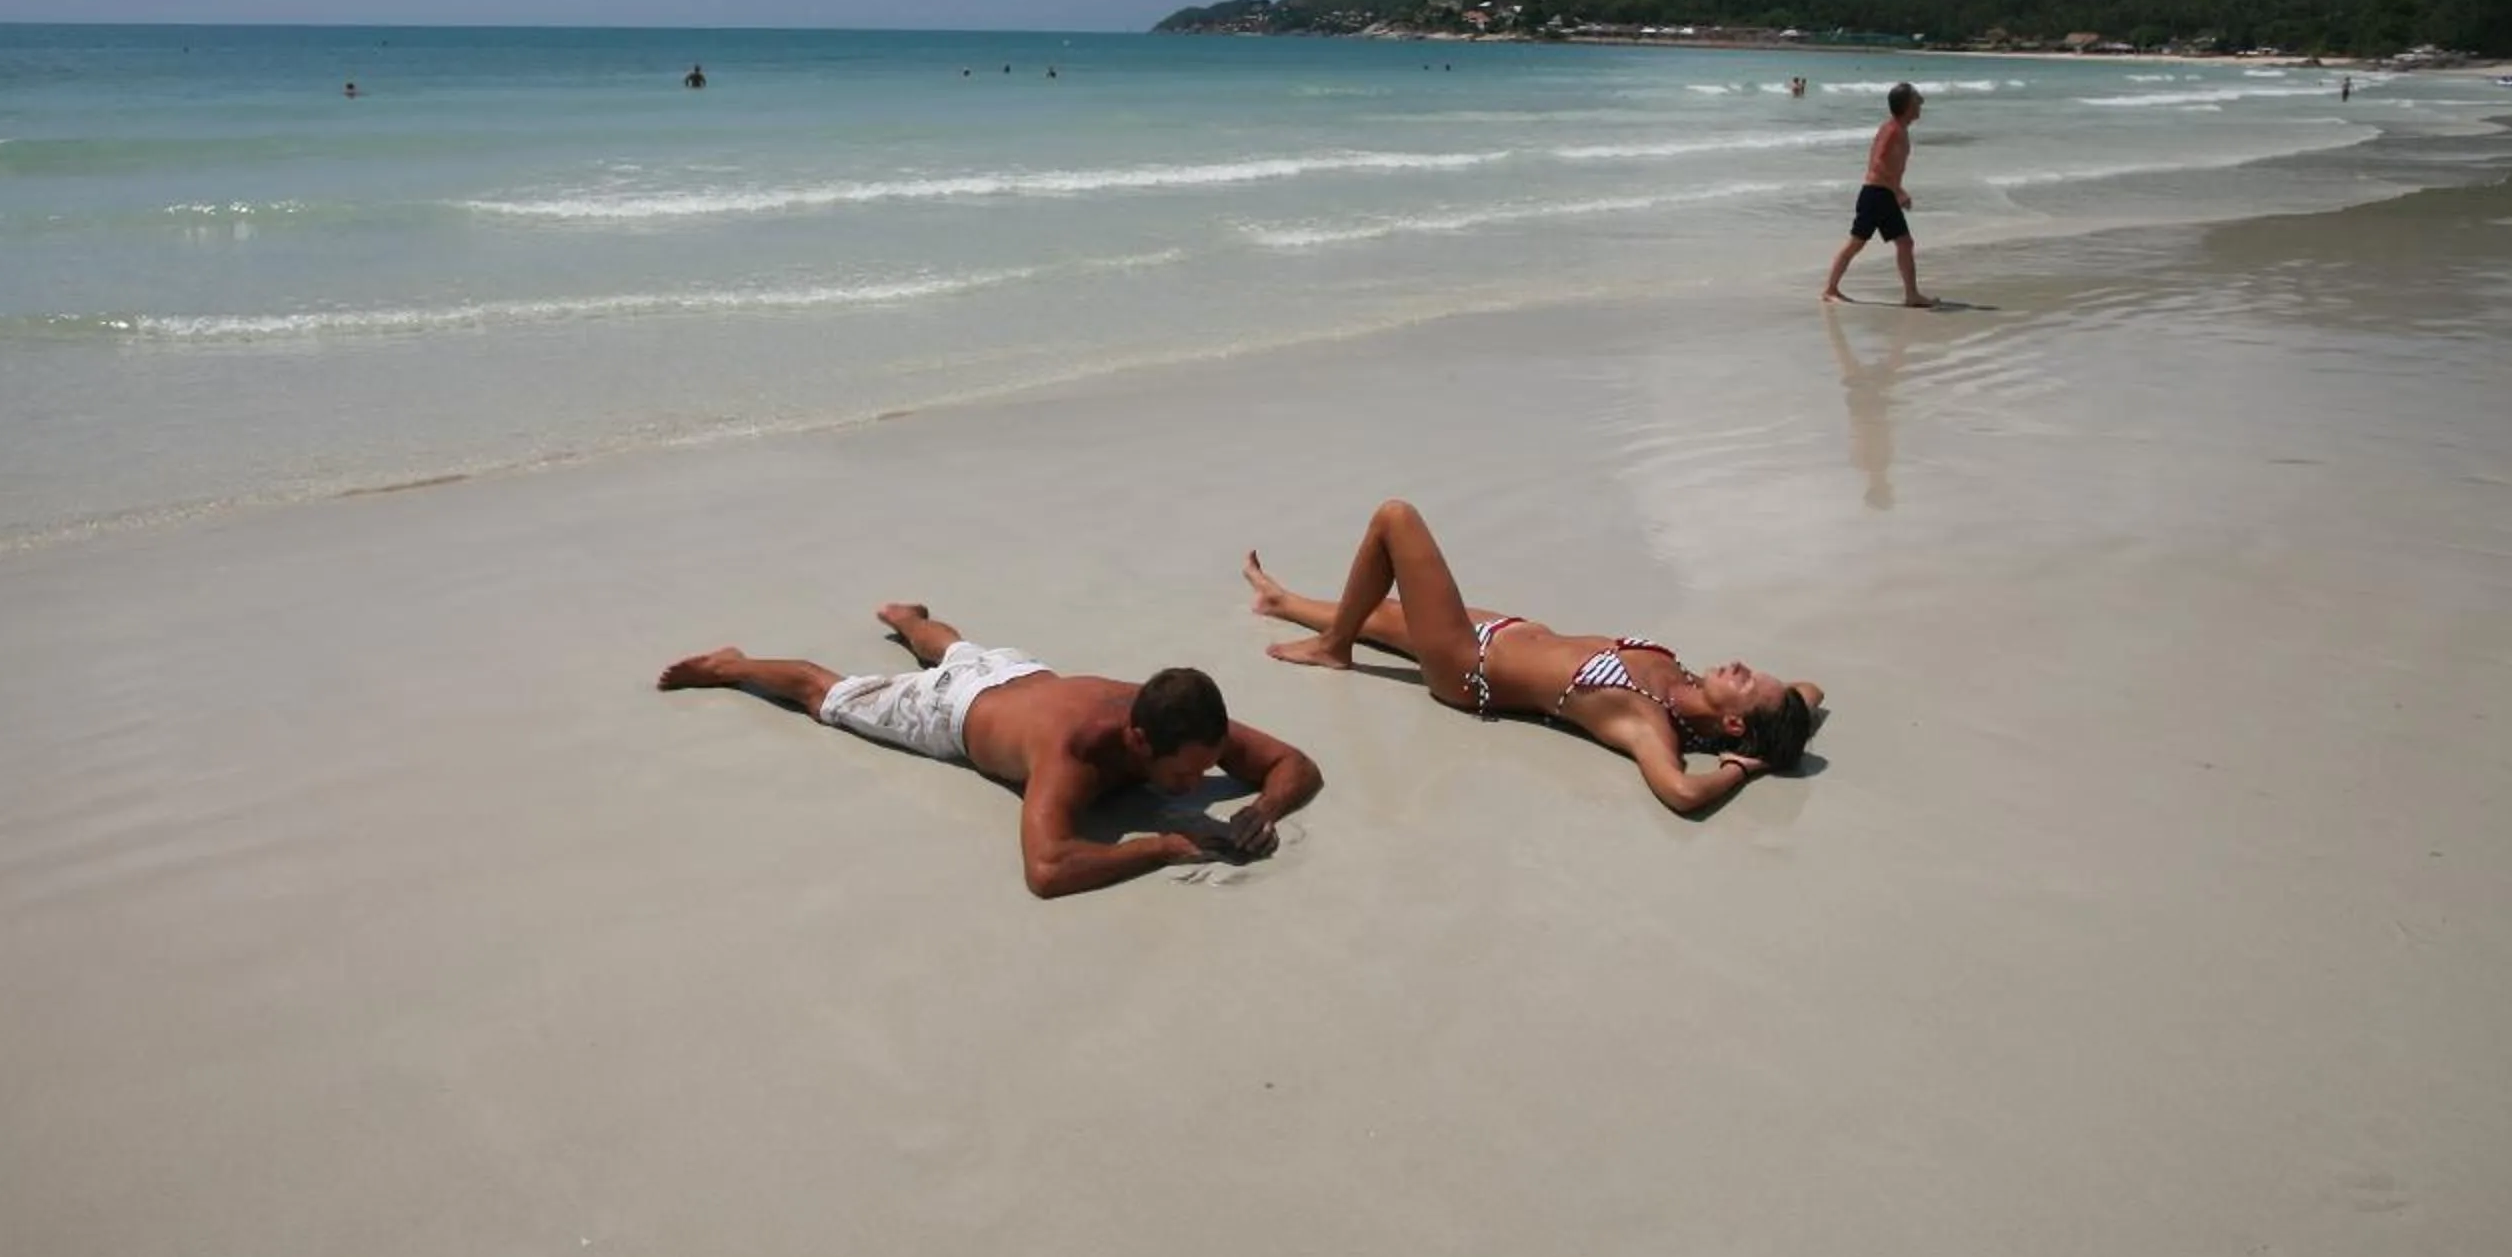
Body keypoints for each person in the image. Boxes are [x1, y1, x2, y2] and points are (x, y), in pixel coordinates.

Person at [658, 603, 1323, 898]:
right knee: (827, 696)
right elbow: (1048, 869)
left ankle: (908, 619)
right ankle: (732, 664)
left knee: (956, 645)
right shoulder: (1074, 754)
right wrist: (1161, 847)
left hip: (1020, 673)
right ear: (1137, 739)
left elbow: (1294, 763)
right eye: (1181, 776)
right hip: (953, 707)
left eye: (1202, 770)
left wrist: (1264, 806)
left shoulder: (1183, 719)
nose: (1192, 786)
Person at [1244, 500, 1820, 817]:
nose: (1741, 665)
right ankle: (1284, 601)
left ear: (1734, 722)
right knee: (1384, 613)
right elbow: (1809, 693)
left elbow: (1682, 793)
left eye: (1747, 683)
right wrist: (1782, 729)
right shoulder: (1691, 685)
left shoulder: (1649, 724)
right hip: (1506, 631)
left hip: (1470, 668)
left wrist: (1745, 766)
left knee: (1395, 521)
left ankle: (1332, 649)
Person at [1822, 81, 1934, 306]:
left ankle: (1911, 295)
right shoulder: (1891, 130)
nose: (1920, 105)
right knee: (1859, 242)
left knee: (1903, 242)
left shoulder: (1899, 128)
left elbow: (1883, 163)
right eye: (1915, 102)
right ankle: (1830, 289)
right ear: (1907, 105)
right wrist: (1899, 191)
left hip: (1883, 193)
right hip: (1876, 194)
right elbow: (1878, 162)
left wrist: (1894, 192)